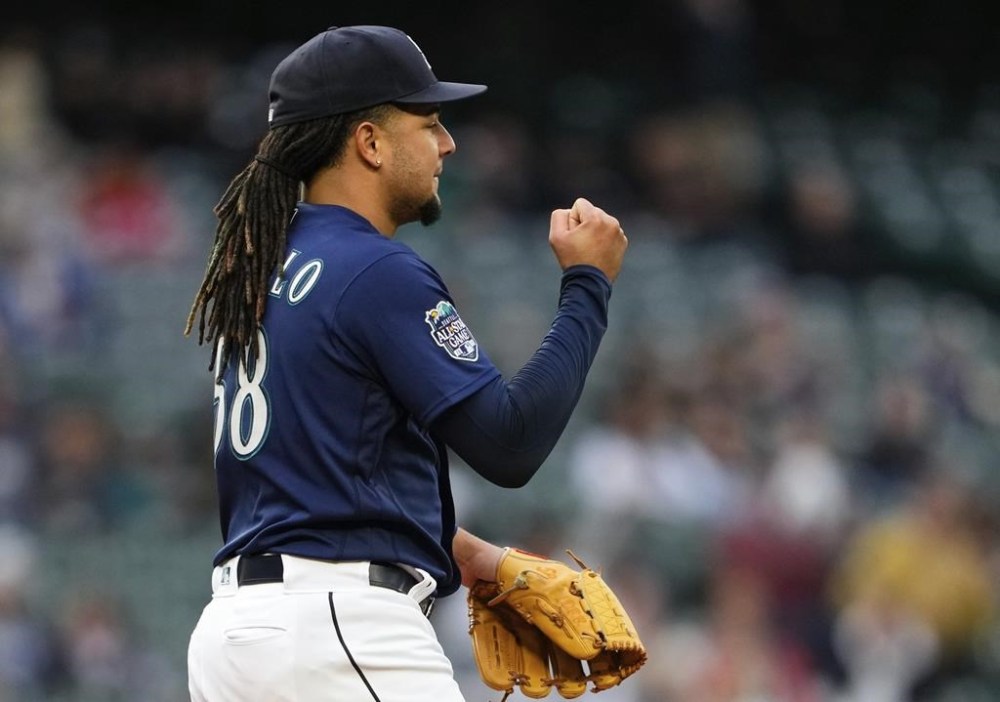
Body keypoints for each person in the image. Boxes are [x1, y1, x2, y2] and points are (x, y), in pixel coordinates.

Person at [183, 25, 628, 702]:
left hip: (241, 638)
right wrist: (588, 287)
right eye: (430, 122)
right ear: (369, 142)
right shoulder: (373, 269)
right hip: (337, 629)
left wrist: (470, 555)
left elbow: (324, 478)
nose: (447, 144)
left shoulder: (260, 268)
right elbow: (510, 445)